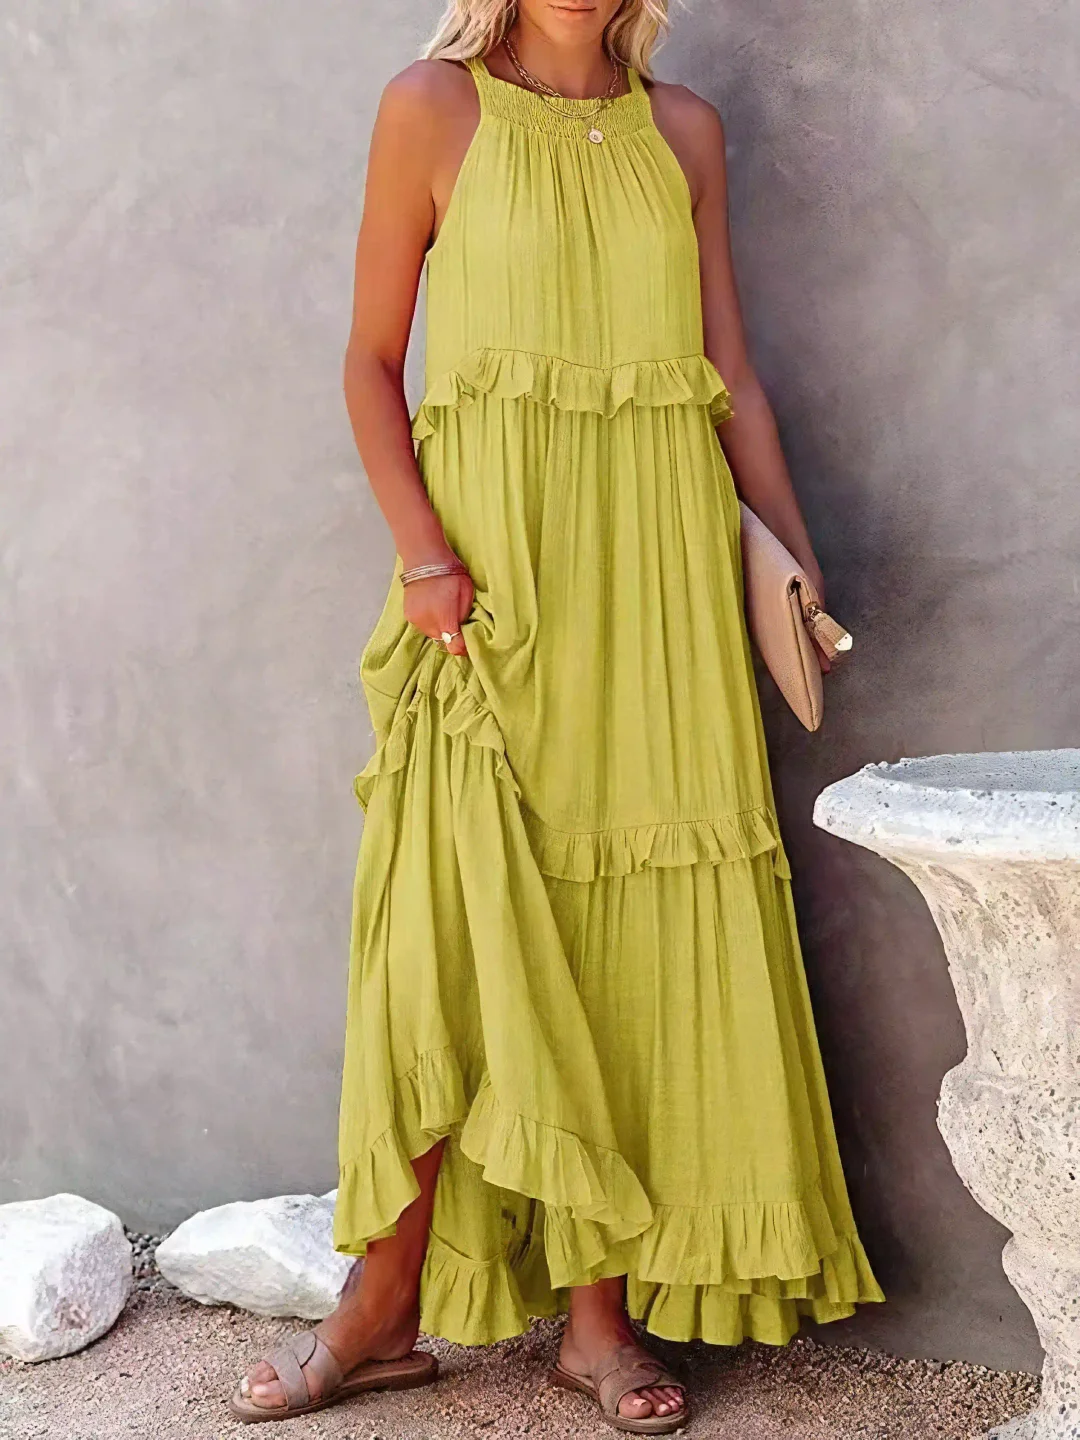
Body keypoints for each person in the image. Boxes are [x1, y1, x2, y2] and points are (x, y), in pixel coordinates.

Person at [230, 0, 883, 1429]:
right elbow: (368, 362)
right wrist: (424, 556)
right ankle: (381, 1299)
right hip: (494, 581)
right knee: (451, 927)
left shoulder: (684, 131)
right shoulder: (431, 107)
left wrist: (790, 551)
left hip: (659, 581)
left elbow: (730, 373)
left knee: (629, 934)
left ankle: (599, 1323)